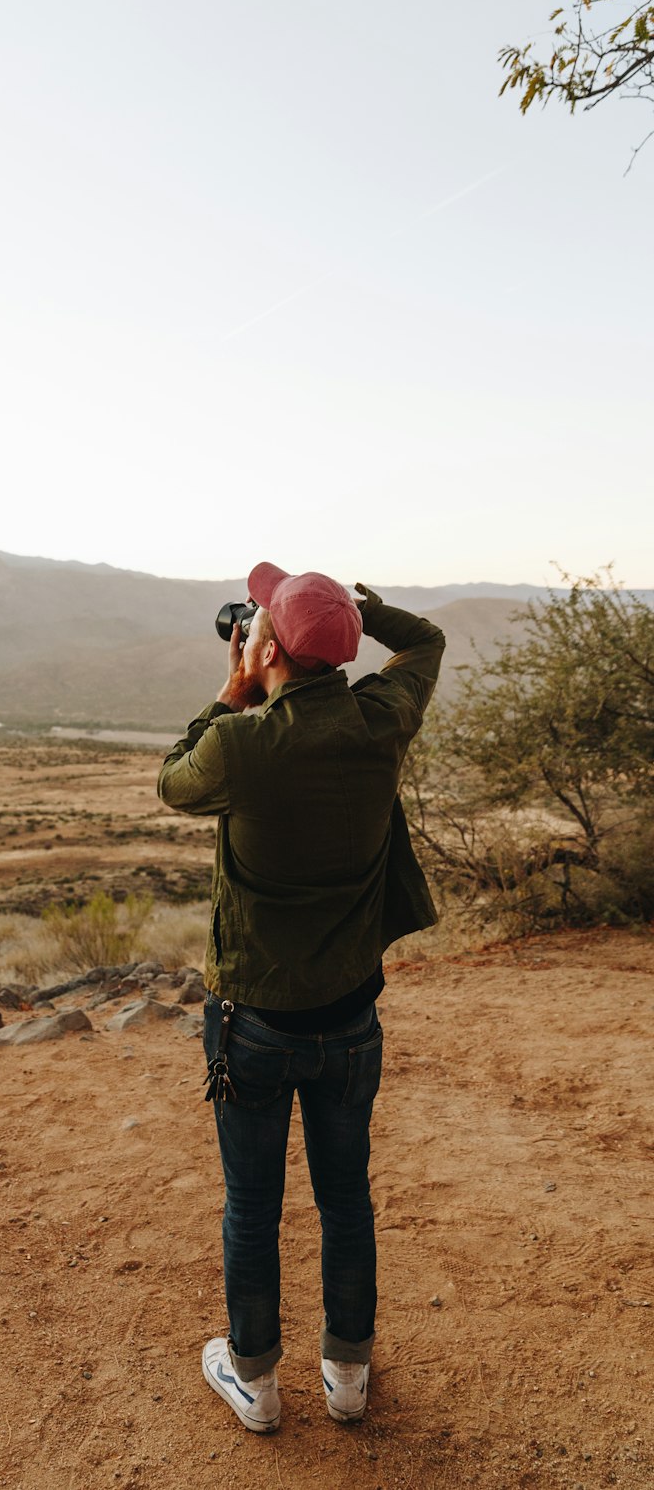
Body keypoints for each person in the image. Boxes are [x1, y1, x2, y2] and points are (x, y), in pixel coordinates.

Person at [157, 562, 445, 1434]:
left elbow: (174, 780)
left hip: (254, 1023)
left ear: (269, 646)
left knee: (253, 1204)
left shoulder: (243, 746)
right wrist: (366, 613)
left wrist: (231, 689)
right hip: (351, 1018)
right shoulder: (380, 722)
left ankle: (255, 1380)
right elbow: (424, 642)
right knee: (346, 1197)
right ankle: (347, 1374)